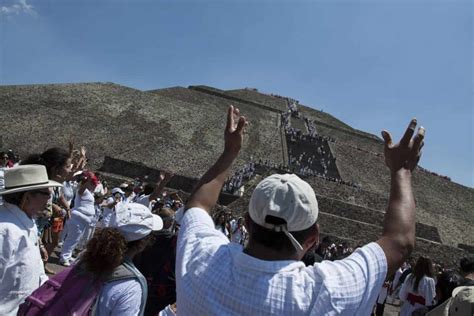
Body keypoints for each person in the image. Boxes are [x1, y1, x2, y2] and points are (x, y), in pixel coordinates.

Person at [175, 105, 425, 314]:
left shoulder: (202, 260)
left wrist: (230, 152)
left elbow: (198, 204)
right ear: (313, 238)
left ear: (247, 223)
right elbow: (400, 241)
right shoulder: (325, 293)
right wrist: (401, 171)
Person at [0, 165, 62, 315]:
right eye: (46, 193)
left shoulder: (28, 222)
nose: (50, 198)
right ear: (27, 196)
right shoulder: (4, 230)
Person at [21, 147, 73, 273]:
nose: (70, 170)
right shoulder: (39, 190)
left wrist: (39, 244)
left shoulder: (48, 188)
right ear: (56, 170)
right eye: (67, 166)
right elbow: (28, 220)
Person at [134, 207, 178, 315]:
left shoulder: (145, 235)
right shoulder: (172, 239)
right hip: (161, 287)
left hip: (140, 278)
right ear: (167, 222)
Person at [59, 171, 99, 266]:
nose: (94, 186)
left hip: (83, 219)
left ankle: (67, 256)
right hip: (78, 218)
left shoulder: (89, 193)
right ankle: (64, 257)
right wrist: (88, 180)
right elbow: (81, 189)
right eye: (93, 184)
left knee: (76, 239)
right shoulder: (82, 190)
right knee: (72, 239)